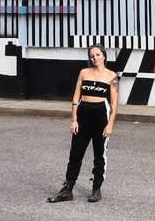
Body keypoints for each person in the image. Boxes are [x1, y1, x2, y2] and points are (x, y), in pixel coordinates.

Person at [48, 45, 119, 204]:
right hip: (83, 113)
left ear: (104, 56)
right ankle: (68, 188)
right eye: (92, 56)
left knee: (99, 153)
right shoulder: (83, 72)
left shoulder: (112, 76)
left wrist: (110, 124)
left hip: (101, 113)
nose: (95, 58)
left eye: (98, 54)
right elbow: (75, 97)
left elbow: (114, 103)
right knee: (75, 152)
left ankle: (96, 189)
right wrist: (74, 120)